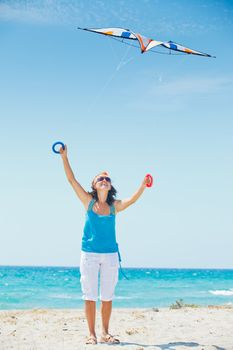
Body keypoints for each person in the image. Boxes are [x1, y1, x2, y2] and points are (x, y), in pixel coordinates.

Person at [59, 145, 151, 344]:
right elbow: (71, 180)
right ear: (93, 184)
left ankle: (105, 333)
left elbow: (132, 200)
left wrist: (142, 186)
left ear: (110, 186)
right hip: (90, 254)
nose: (104, 180)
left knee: (107, 296)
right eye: (100, 178)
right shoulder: (88, 202)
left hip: (110, 255)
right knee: (90, 295)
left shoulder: (114, 206)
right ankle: (91, 334)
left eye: (107, 179)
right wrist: (65, 157)